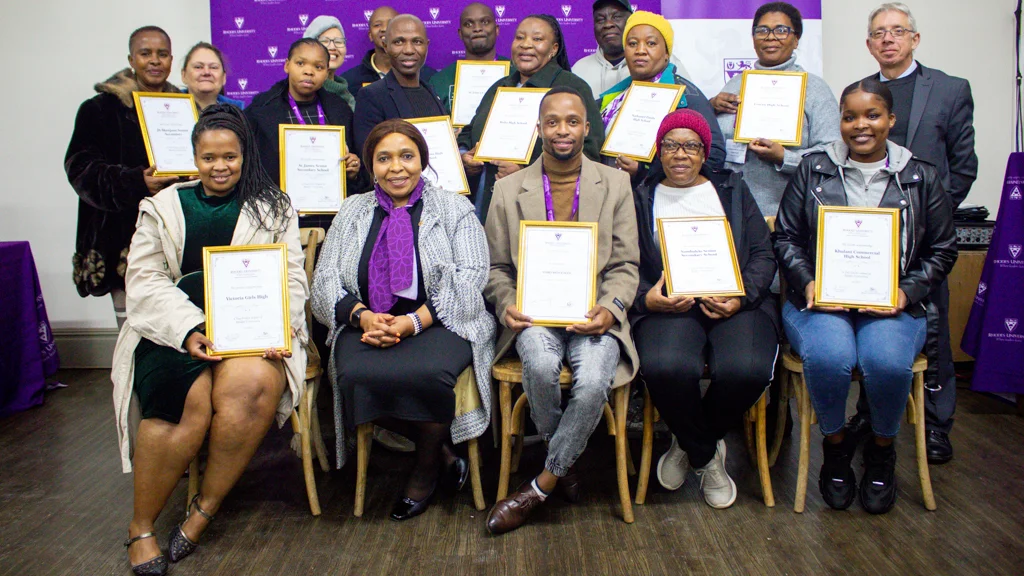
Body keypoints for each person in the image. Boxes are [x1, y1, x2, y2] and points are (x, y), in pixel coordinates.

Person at [112, 105, 309, 575]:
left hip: (251, 331)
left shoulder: (274, 205)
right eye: (208, 157)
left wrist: (279, 325)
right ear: (194, 158)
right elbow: (144, 280)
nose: (220, 167)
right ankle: (141, 527)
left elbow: (292, 277)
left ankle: (204, 509)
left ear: (245, 156)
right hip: (173, 331)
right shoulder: (162, 207)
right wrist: (188, 330)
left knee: (247, 388)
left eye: (230, 157)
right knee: (187, 400)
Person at [775, 79, 957, 514]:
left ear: (890, 120)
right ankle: (836, 448)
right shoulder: (814, 168)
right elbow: (786, 237)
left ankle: (881, 449)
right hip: (821, 301)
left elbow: (943, 248)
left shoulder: (921, 175)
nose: (861, 125)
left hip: (892, 305)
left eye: (872, 115)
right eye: (850, 116)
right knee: (830, 356)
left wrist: (905, 290)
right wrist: (808, 282)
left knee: (887, 361)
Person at [310, 119, 496, 521]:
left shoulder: (454, 207)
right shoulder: (352, 210)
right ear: (370, 165)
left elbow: (472, 275)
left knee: (427, 375)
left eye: (407, 156)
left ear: (422, 161)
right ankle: (444, 453)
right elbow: (323, 279)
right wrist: (360, 317)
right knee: (352, 376)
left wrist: (413, 322)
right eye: (384, 158)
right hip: (369, 324)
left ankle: (425, 470)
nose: (397, 168)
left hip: (441, 323)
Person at [483, 86, 639, 534]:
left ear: (587, 128)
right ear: (539, 129)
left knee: (592, 383)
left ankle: (540, 484)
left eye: (572, 121)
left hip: (595, 316)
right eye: (552, 122)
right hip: (534, 316)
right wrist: (507, 302)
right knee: (538, 361)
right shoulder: (510, 189)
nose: (562, 130)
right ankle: (566, 462)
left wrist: (610, 309)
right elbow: (495, 266)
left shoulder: (615, 183)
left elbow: (626, 264)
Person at [846, 2, 978, 465]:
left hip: (923, 241)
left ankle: (936, 425)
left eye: (898, 31)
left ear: (914, 39)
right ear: (869, 44)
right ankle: (869, 412)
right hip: (868, 240)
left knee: (934, 332)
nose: (888, 39)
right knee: (869, 325)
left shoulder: (949, 89)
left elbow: (963, 167)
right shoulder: (862, 95)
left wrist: (931, 221)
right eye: (879, 33)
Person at [630, 110, 778, 509]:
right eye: (671, 145)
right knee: (665, 366)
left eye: (691, 146)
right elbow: (622, 261)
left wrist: (742, 295)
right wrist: (647, 298)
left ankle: (690, 440)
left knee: (747, 369)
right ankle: (706, 457)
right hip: (670, 308)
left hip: (736, 303)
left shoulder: (731, 189)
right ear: (658, 151)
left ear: (704, 152)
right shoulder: (640, 196)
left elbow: (764, 253)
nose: (681, 154)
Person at [65, 26, 181, 331]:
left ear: (171, 59)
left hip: (174, 234)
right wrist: (134, 182)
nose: (154, 60)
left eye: (162, 54)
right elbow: (81, 168)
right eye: (146, 53)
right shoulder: (99, 109)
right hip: (119, 238)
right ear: (131, 58)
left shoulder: (185, 107)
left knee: (173, 326)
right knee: (131, 332)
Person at [458, 15, 605, 223]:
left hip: (545, 207)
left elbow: (589, 151)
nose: (526, 45)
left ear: (554, 49)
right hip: (487, 203)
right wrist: (466, 156)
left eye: (537, 39)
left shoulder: (572, 87)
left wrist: (527, 172)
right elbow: (469, 131)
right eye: (520, 38)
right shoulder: (500, 87)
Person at [709, 1, 840, 219]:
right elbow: (712, 141)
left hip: (788, 212)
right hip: (734, 206)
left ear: (796, 39)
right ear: (753, 39)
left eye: (781, 30)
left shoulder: (815, 89)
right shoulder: (735, 84)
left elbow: (830, 154)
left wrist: (784, 157)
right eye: (762, 30)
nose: (771, 37)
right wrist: (711, 106)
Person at [245, 38, 365, 230]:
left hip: (333, 219)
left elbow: (358, 169)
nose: (309, 71)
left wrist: (354, 170)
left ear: (327, 72)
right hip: (279, 218)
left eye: (318, 67)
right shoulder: (261, 110)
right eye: (300, 63)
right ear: (287, 65)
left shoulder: (340, 109)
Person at [598, 10, 726, 178]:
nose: (640, 50)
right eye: (632, 43)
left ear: (666, 53)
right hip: (614, 195)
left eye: (651, 43)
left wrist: (647, 172)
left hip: (663, 197)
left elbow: (714, 154)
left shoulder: (687, 97)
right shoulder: (609, 101)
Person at [354, 14, 447, 155]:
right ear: (385, 46)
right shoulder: (372, 95)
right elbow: (369, 157)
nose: (408, 50)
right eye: (399, 42)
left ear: (426, 46)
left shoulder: (432, 91)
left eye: (417, 42)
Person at [571, 0, 690, 97]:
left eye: (616, 17)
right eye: (600, 19)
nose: (608, 24)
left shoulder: (663, 63)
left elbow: (690, 100)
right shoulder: (579, 70)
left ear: (630, 22)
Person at [427, 3, 509, 114]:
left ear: (496, 29)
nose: (477, 28)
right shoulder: (439, 81)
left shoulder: (516, 73)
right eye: (469, 24)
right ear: (460, 34)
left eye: (485, 22)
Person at [303, 15, 357, 111]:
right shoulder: (301, 93)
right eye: (325, 41)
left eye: (339, 42)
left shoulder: (348, 97)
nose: (333, 47)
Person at [180, 42, 244, 110]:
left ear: (224, 77)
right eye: (198, 67)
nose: (206, 72)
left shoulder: (239, 113)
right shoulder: (170, 108)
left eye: (213, 67)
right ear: (184, 75)